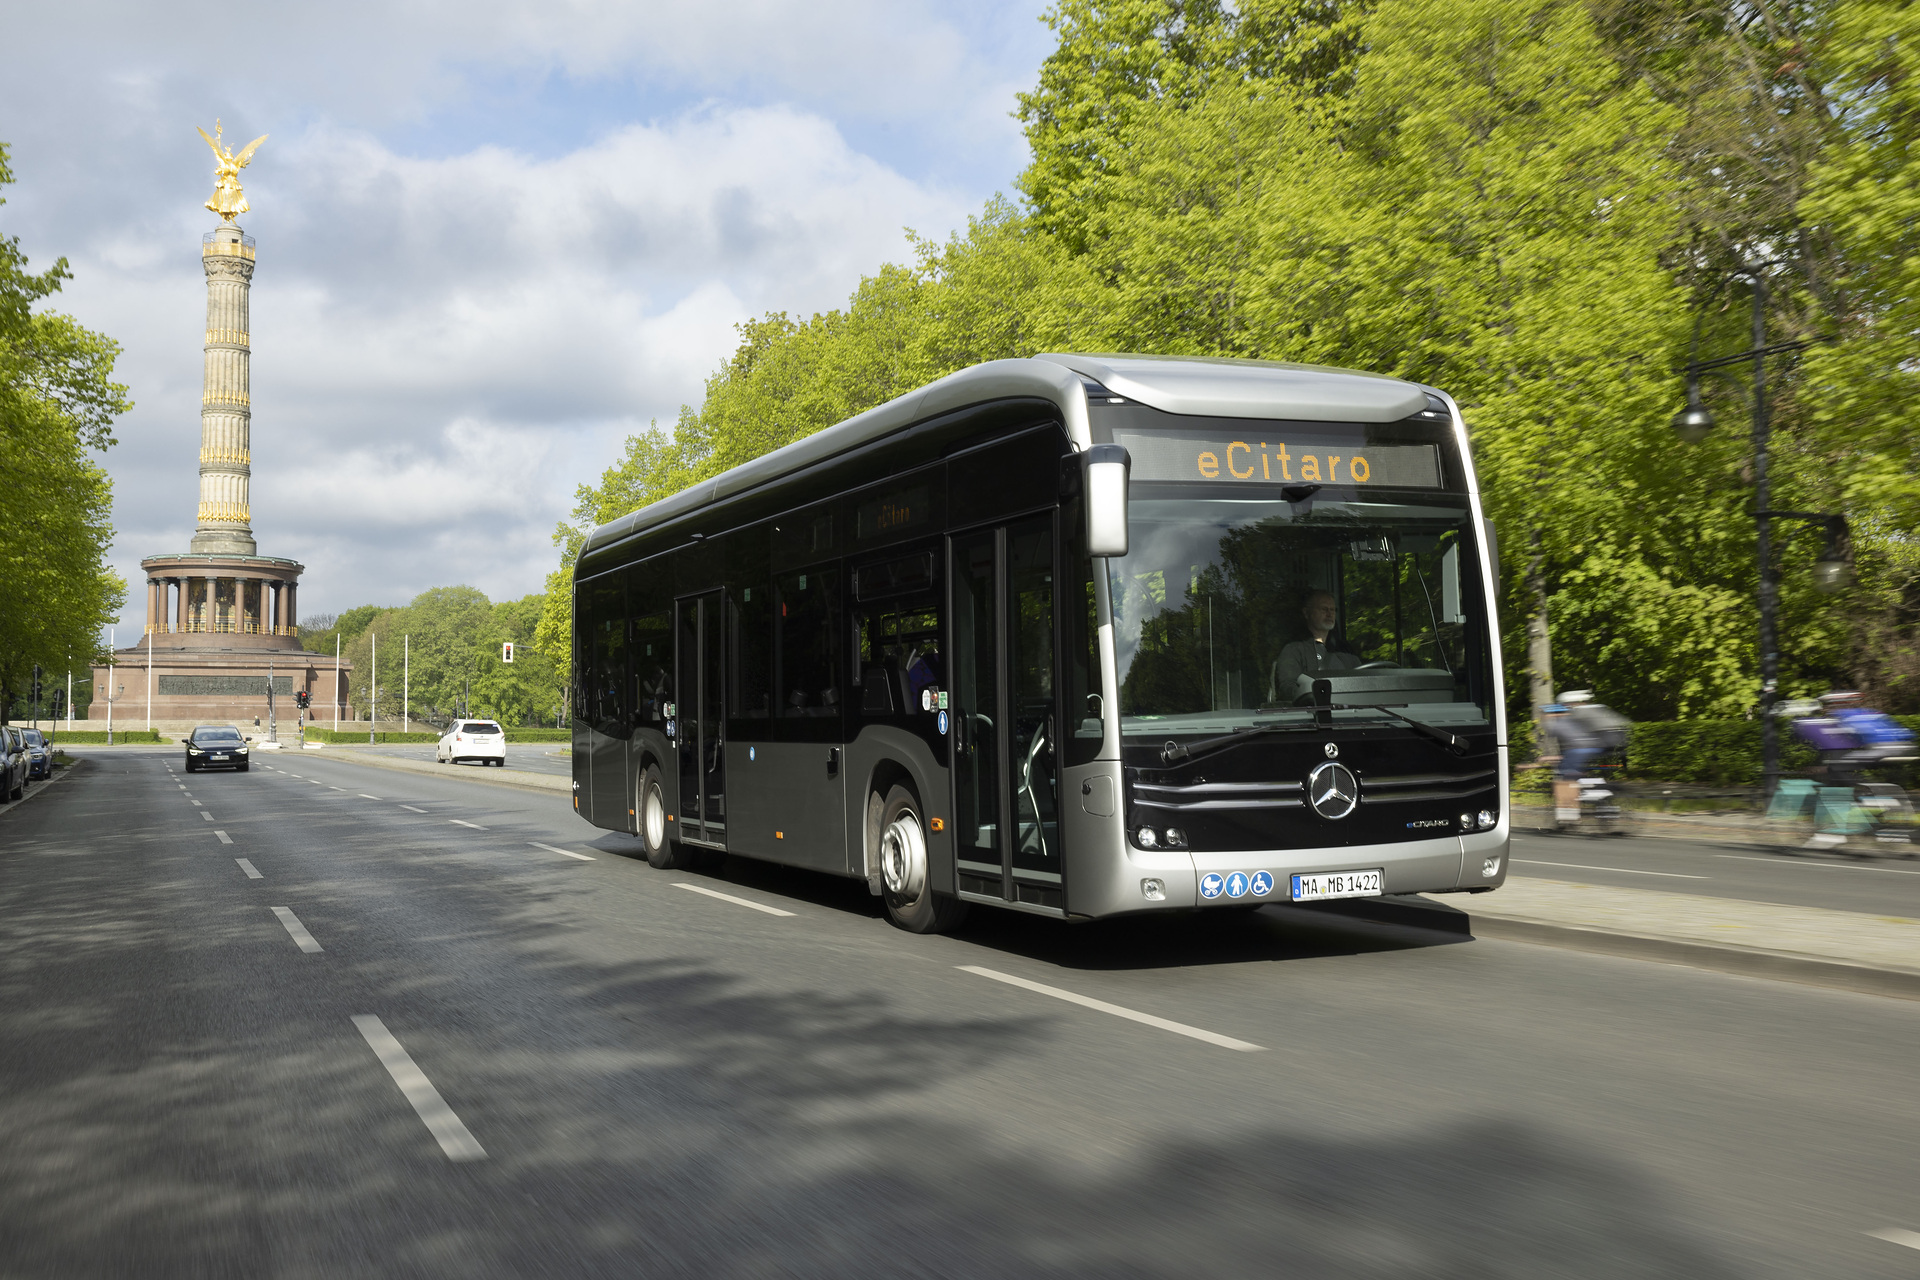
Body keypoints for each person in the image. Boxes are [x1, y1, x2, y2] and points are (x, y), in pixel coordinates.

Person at [1267, 589, 1361, 704]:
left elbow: (1362, 685)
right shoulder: (1294, 650)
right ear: (1306, 613)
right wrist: (1316, 698)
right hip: (1312, 716)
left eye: (1332, 609)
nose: (1329, 613)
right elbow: (1288, 689)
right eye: (1324, 609)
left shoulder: (1346, 651)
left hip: (1349, 716)